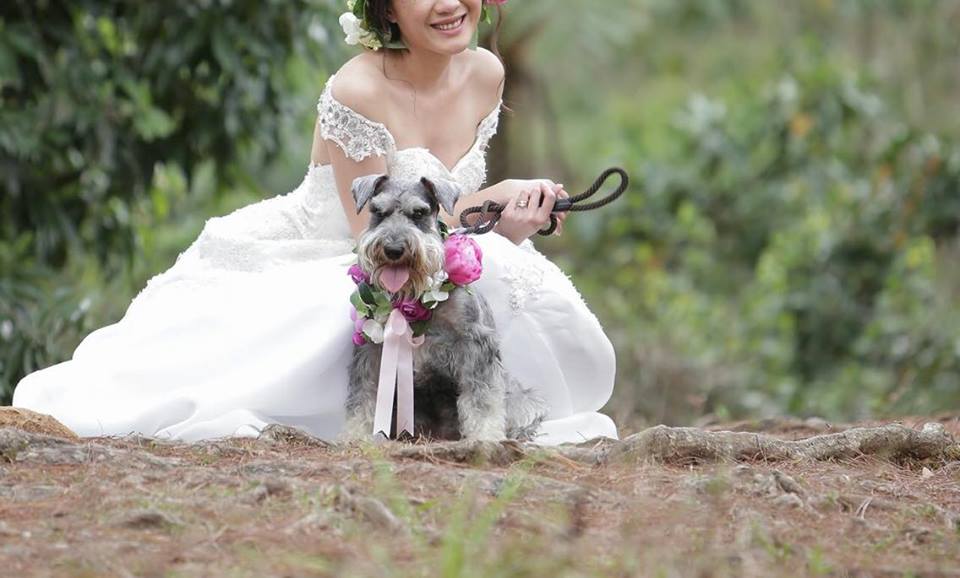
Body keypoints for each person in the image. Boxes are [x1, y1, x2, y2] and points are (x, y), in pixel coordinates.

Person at [12, 0, 617, 444]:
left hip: (425, 242)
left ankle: (495, 421)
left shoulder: (486, 72)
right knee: (339, 320)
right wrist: (494, 207)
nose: (448, 5)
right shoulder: (356, 90)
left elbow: (441, 213)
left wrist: (509, 211)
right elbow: (378, 243)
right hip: (345, 249)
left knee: (505, 272)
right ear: (385, 11)